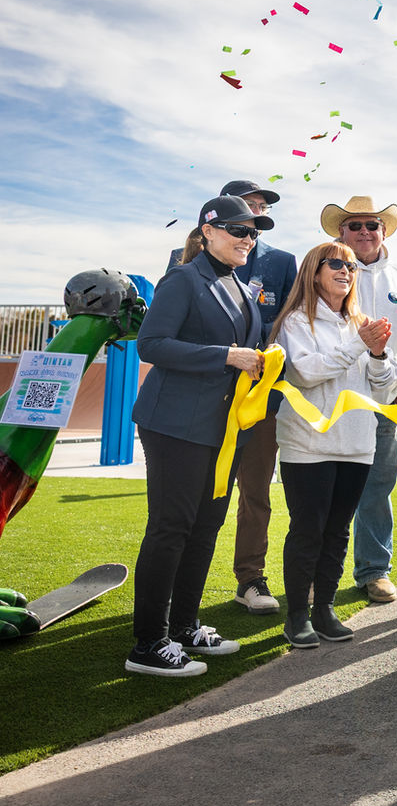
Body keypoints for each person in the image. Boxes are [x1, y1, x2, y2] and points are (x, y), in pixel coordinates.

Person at [126, 194, 272, 676]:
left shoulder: (242, 284)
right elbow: (151, 344)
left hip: (220, 429)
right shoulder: (184, 278)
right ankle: (148, 644)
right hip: (173, 425)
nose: (247, 239)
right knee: (171, 529)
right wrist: (226, 355)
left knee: (206, 526)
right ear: (207, 231)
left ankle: (186, 626)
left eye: (253, 232)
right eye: (237, 230)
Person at [167, 182, 297, 615]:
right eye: (244, 214)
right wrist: (226, 357)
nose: (251, 226)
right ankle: (171, 596)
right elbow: (165, 334)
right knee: (188, 508)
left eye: (258, 217)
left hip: (258, 402)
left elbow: (287, 320)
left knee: (253, 494)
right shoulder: (184, 264)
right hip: (198, 406)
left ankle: (250, 579)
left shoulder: (281, 261)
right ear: (212, 223)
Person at [272, 242, 397, 647]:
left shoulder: (360, 322)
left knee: (338, 532)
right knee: (307, 531)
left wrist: (379, 356)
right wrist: (361, 344)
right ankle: (296, 616)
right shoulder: (295, 322)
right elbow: (306, 372)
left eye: (350, 267)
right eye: (336, 265)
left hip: (358, 445)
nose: (346, 271)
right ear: (314, 272)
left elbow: (385, 389)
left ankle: (324, 608)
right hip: (308, 445)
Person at [319, 196, 397, 604]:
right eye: (355, 225)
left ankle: (374, 570)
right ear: (341, 232)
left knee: (377, 487)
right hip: (333, 398)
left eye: (372, 225)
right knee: (323, 488)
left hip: (387, 401)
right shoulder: (322, 273)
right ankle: (315, 571)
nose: (364, 232)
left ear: (384, 231)